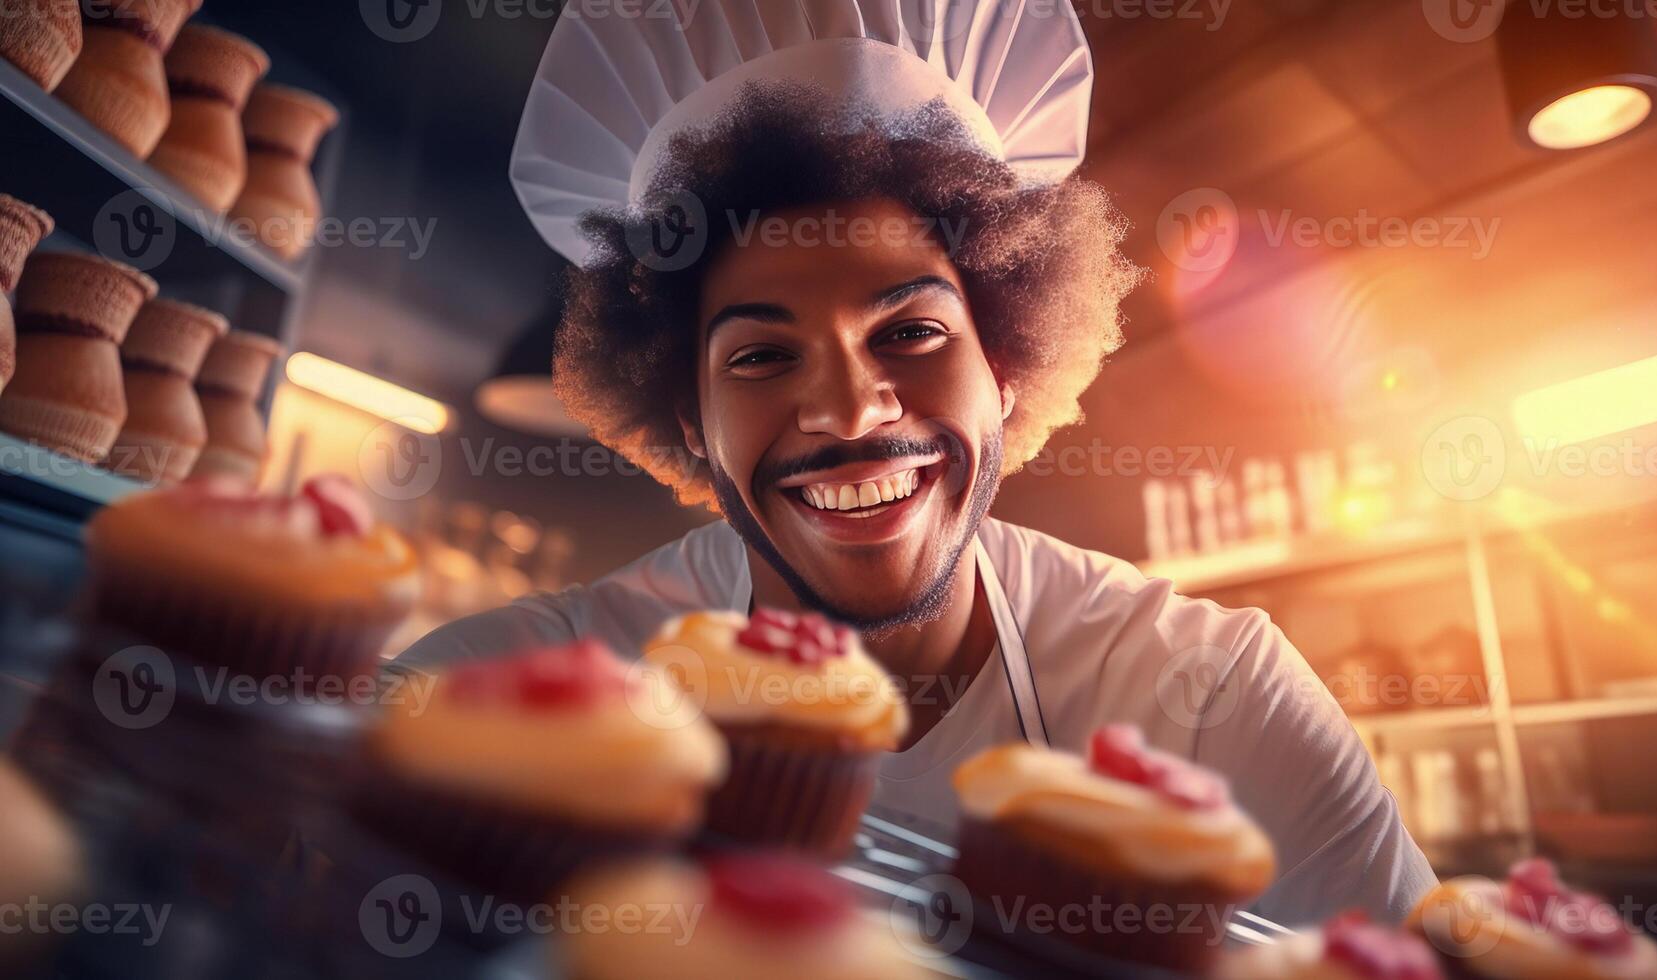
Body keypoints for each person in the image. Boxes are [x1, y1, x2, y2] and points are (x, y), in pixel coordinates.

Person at [396, 0, 1436, 925]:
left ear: (1009, 366)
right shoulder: (545, 685)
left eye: (912, 332)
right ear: (690, 419)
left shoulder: (1209, 694)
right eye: (761, 355)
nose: (850, 408)